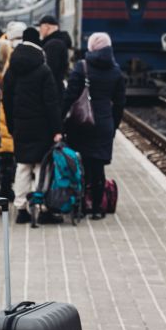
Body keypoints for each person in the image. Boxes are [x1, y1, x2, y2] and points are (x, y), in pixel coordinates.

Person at [62, 32, 126, 219]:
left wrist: (60, 121)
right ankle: (97, 208)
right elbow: (120, 103)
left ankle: (81, 205)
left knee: (80, 165)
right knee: (98, 167)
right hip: (104, 124)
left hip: (81, 124)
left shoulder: (82, 67)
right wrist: (113, 125)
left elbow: (69, 97)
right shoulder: (116, 71)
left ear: (91, 47)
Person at [3, 27, 62, 224]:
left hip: (20, 125)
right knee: (41, 167)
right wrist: (57, 129)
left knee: (22, 166)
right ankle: (41, 207)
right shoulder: (44, 70)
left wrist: (12, 125)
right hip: (42, 126)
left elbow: (7, 101)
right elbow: (51, 103)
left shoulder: (12, 70)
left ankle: (21, 209)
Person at [0, 21, 26, 201]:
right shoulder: (18, 55)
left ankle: (1, 188)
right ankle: (7, 187)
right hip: (12, 108)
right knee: (10, 154)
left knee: (2, 154)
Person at [38, 15, 71, 101]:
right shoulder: (58, 42)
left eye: (40, 27)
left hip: (52, 91)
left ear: (47, 27)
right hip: (56, 88)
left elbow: (50, 69)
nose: (39, 30)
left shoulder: (53, 45)